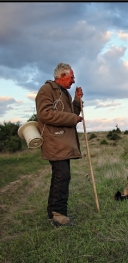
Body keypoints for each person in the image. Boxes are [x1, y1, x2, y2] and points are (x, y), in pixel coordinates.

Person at [35, 62, 83, 227]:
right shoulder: (46, 90)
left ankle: (54, 214)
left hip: (62, 143)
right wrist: (72, 118)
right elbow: (45, 114)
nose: (73, 81)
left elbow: (72, 115)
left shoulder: (64, 93)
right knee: (62, 176)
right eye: (71, 77)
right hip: (55, 142)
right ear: (62, 76)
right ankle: (58, 216)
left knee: (61, 176)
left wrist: (77, 100)